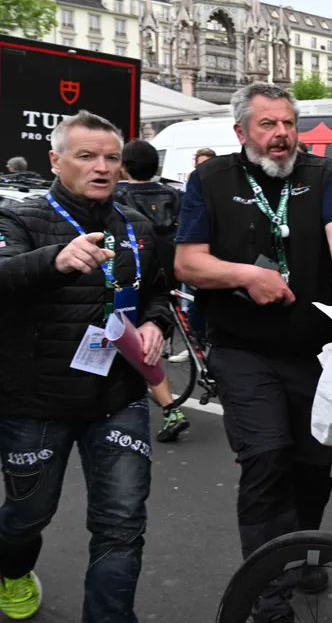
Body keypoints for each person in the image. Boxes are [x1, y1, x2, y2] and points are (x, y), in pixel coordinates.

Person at [174, 82, 332, 616]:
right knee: (266, 457)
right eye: (268, 125)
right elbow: (188, 262)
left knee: (312, 463)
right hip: (242, 349)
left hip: (312, 350)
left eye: (288, 123)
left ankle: (303, 550)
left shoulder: (323, 174)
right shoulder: (210, 179)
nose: (282, 135)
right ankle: (267, 595)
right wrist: (244, 276)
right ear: (241, 132)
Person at [0, 110, 173, 621]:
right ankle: (10, 568)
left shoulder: (137, 227)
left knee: (121, 524)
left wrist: (157, 324)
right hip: (35, 404)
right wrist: (53, 261)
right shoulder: (20, 217)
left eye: (111, 158)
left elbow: (158, 293)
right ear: (55, 161)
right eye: (86, 156)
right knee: (28, 516)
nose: (102, 167)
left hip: (117, 399)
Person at [113, 139, 191, 442]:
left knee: (141, 339)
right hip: (174, 264)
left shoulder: (119, 195)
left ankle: (171, 407)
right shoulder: (173, 192)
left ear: (124, 166)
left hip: (139, 270)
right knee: (172, 313)